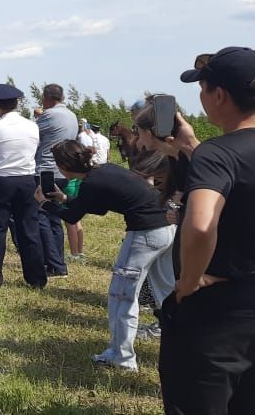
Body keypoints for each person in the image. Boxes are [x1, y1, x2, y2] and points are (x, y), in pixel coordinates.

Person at [158, 46, 255, 413]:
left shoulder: (218, 154)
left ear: (219, 95)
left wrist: (189, 283)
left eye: (202, 89)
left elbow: (200, 226)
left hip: (215, 313)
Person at [37, 140, 175, 371]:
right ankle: (184, 342)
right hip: (166, 228)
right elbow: (98, 206)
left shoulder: (92, 183)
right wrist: (63, 199)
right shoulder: (104, 170)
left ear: (62, 167)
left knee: (122, 296)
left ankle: (122, 357)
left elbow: (72, 217)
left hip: (144, 233)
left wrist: (44, 205)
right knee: (166, 292)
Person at [0, 83, 47, 288]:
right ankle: (36, 278)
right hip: (26, 179)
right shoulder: (32, 126)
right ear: (17, 104)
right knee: (29, 229)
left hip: (0, 180)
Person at [35, 83, 76, 278]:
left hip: (46, 171)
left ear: (46, 98)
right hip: (63, 172)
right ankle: (58, 261)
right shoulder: (71, 115)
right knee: (54, 219)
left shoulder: (49, 115)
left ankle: (54, 264)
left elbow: (33, 135)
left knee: (42, 216)